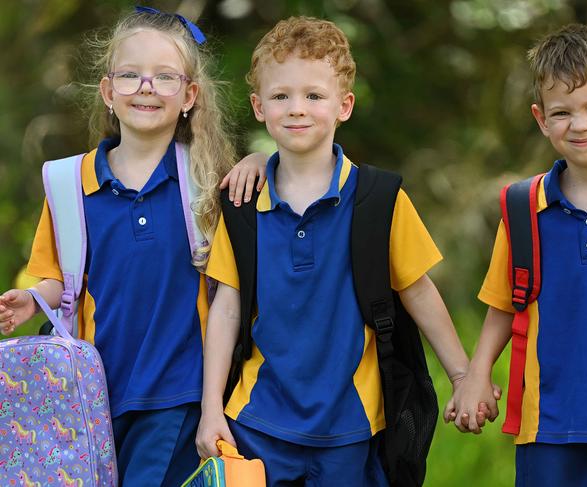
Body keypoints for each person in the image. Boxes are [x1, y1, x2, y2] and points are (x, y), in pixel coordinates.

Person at [195, 16, 478, 486]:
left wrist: (464, 376)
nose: (296, 109)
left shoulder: (379, 200)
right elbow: (225, 308)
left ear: (344, 105)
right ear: (258, 106)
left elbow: (418, 290)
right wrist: (211, 412)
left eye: (313, 96)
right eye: (281, 96)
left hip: (353, 426)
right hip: (255, 422)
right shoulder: (243, 205)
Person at [0, 8, 264, 486]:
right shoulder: (66, 183)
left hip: (177, 394)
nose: (146, 87)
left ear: (189, 96)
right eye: (131, 75)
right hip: (89, 398)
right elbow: (62, 277)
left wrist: (263, 158)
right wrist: (33, 296)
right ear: (107, 92)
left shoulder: (209, 183)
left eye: (165, 77)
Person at [447, 24, 587, 486]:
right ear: (541, 118)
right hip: (548, 429)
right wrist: (476, 376)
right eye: (562, 112)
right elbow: (505, 303)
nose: (579, 125)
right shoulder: (523, 207)